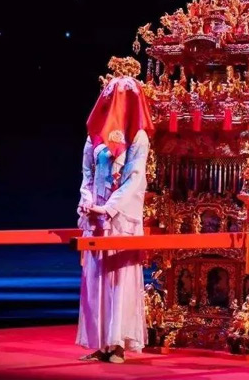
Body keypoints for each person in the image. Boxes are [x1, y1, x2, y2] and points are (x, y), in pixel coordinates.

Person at [75, 72, 155, 364]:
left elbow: (135, 179)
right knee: (96, 278)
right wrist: (87, 201)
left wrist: (109, 208)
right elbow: (87, 174)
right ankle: (100, 342)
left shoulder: (138, 137)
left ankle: (118, 343)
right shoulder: (95, 135)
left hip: (121, 217)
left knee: (119, 279)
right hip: (96, 218)